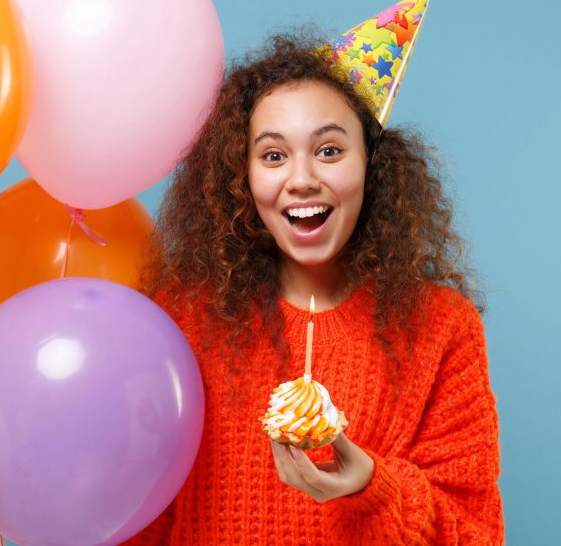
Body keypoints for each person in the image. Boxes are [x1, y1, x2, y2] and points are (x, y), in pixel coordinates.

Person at [122, 32, 504, 545]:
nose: (301, 179)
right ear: (243, 177)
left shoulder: (442, 327)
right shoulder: (182, 317)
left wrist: (373, 487)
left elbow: (476, 535)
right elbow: (138, 514)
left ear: (372, 165)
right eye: (274, 156)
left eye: (328, 150)